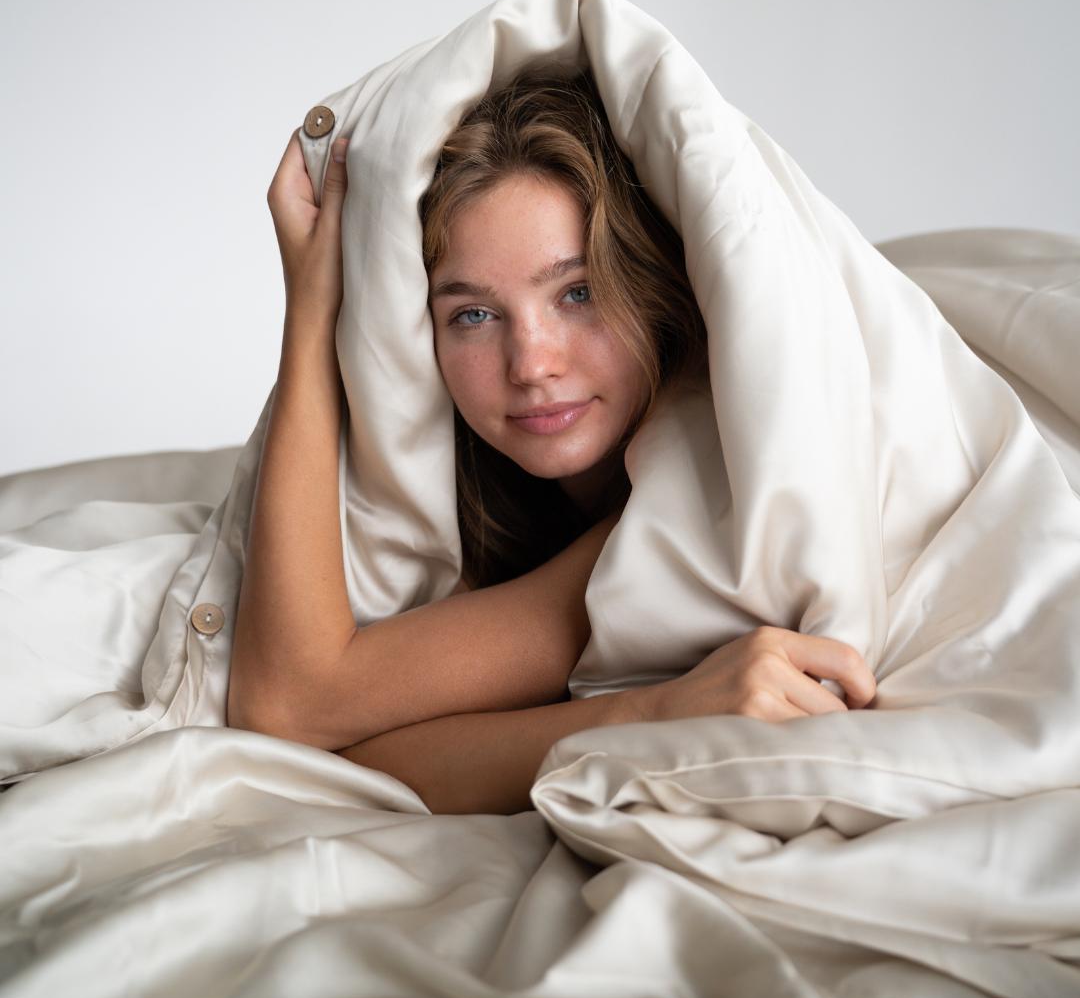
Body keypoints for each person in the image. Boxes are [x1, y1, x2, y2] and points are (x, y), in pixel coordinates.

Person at [226, 65, 877, 815]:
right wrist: (315, 313)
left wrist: (649, 716)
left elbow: (290, 708)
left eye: (579, 292)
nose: (533, 365)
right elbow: (315, 726)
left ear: (651, 287)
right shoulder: (470, 499)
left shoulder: (708, 486)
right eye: (472, 314)